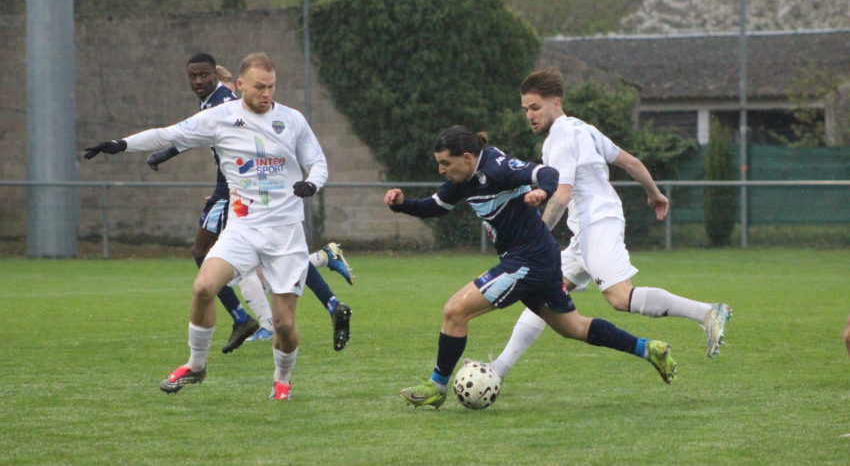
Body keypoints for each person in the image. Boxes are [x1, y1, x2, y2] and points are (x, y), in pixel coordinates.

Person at [85, 52, 325, 400]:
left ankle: (282, 378)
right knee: (203, 288)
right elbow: (167, 135)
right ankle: (196, 366)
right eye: (259, 87)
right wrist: (122, 145)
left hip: (286, 232)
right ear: (240, 85)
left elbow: (318, 162)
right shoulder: (220, 118)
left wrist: (312, 183)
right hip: (243, 229)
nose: (266, 94)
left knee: (285, 325)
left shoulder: (292, 119)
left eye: (271, 87)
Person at [384, 125, 677, 409]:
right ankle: (648, 348)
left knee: (454, 311)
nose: (441, 170)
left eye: (445, 163)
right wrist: (402, 204)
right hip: (539, 258)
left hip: (527, 260)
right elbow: (436, 205)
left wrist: (543, 192)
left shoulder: (497, 168)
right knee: (573, 327)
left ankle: (436, 387)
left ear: (467, 157)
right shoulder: (464, 177)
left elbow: (548, 174)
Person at [489, 67, 732, 380]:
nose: (529, 115)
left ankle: (708, 312)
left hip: (597, 223)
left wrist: (534, 236)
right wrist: (654, 193)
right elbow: (630, 162)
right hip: (587, 230)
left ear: (555, 102)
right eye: (525, 110)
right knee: (542, 296)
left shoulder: (560, 138)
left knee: (619, 297)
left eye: (535, 107)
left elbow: (562, 195)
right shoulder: (584, 129)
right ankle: (498, 369)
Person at [146, 55, 355, 352]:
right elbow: (197, 138)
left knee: (211, 254)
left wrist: (225, 188)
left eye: (204, 75)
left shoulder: (227, 105)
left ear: (231, 83)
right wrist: (166, 154)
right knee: (265, 260)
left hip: (238, 195)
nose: (198, 81)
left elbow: (216, 141)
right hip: (235, 191)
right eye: (193, 76)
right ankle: (323, 288)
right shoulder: (214, 105)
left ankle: (248, 319)